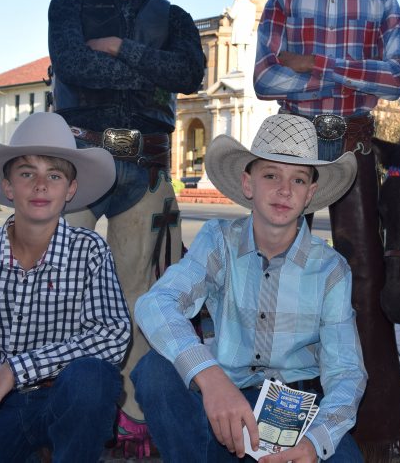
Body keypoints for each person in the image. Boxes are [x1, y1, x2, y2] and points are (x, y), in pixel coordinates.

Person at [253, 0, 400, 456]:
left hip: (351, 145)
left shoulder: (382, 2)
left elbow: (396, 80)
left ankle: (372, 425)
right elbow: (265, 79)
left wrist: (313, 61)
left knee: (363, 281)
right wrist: (354, 68)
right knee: (276, 274)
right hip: (293, 145)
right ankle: (277, 422)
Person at [47, 0, 206, 449]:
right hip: (78, 160)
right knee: (57, 282)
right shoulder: (67, 3)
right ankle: (54, 399)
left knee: (145, 293)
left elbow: (191, 74)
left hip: (147, 164)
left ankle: (136, 414)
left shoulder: (178, 17)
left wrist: (119, 49)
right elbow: (71, 64)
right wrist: (146, 70)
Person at [132, 114, 365, 462]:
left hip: (297, 412)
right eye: (271, 175)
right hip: (226, 406)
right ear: (248, 183)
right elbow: (156, 304)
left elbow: (346, 371)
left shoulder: (330, 268)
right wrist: (210, 377)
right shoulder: (218, 241)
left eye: (298, 179)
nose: (284, 190)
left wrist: (314, 443)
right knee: (155, 371)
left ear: (309, 194)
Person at [0, 112, 131, 463]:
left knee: (92, 378)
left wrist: (14, 369)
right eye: (26, 173)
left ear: (70, 190)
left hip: (67, 397)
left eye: (54, 175)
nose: (40, 185)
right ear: (8, 187)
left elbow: (113, 333)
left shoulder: (89, 249)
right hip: (0, 405)